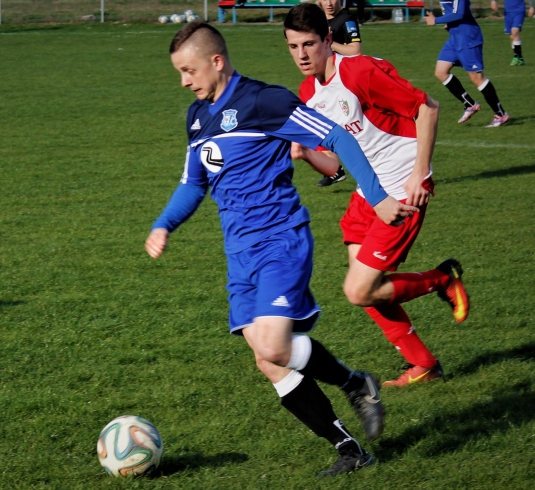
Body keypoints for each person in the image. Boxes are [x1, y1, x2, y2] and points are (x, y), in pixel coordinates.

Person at [146, 21, 417, 476]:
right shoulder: (197, 118)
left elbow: (337, 137)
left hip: (279, 240)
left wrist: (379, 198)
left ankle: (355, 382)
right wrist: (164, 224)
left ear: (217, 61)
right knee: (267, 361)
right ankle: (350, 449)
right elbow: (194, 182)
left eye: (189, 70)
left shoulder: (262, 100)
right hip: (239, 255)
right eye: (179, 72)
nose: (184, 81)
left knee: (273, 345)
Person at [283, 3, 470, 388]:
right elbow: (334, 164)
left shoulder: (360, 71)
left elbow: (428, 109)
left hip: (402, 185)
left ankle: (441, 279)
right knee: (364, 288)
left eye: (309, 44)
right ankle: (424, 365)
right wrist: (304, 154)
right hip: (369, 192)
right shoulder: (307, 92)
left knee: (359, 289)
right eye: (293, 46)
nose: (302, 55)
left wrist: (420, 175)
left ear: (328, 39)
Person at [425, 0, 509, 127]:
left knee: (477, 78)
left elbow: (459, 13)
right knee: (441, 72)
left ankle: (500, 114)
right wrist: (448, 22)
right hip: (455, 38)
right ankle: (470, 104)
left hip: (468, 38)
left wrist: (436, 20)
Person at [312, 0, 363, 187]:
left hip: (345, 84)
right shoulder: (319, 19)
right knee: (318, 126)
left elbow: (356, 51)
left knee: (351, 131)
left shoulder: (346, 19)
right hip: (326, 84)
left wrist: (331, 44)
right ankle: (335, 169)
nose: (329, 3)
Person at [491, 0, 535, 65]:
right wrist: (493, 1)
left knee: (514, 32)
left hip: (519, 11)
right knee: (512, 36)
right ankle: (519, 58)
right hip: (508, 12)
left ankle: (517, 57)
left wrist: (532, 7)